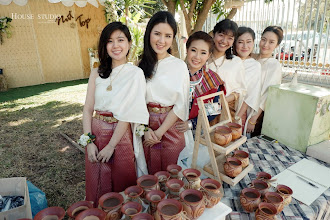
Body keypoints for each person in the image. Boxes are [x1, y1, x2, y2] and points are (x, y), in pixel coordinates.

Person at [82, 22, 149, 206]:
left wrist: (112, 145)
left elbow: (129, 113)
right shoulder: (96, 72)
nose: (115, 45)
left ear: (128, 44)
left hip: (120, 137)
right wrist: (88, 142)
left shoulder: (135, 74)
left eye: (120, 40)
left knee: (122, 182)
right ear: (104, 45)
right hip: (96, 133)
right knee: (98, 182)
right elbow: (88, 109)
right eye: (110, 41)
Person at [139, 11, 190, 175]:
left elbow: (181, 103)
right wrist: (145, 130)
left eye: (168, 36)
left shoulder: (179, 66)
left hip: (171, 127)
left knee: (173, 176)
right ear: (149, 34)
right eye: (157, 34)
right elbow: (135, 102)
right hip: (145, 127)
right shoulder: (139, 65)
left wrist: (160, 132)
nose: (162, 41)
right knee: (150, 177)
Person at [175, 31, 225, 170]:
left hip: (195, 133)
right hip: (172, 130)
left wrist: (192, 123)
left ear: (209, 55)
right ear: (187, 49)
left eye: (203, 53)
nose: (197, 57)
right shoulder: (175, 73)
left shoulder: (212, 79)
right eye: (193, 50)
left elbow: (215, 109)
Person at [207, 19, 246, 123]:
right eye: (221, 35)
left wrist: (220, 101)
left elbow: (240, 91)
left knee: (221, 138)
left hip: (226, 112)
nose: (224, 41)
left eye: (230, 38)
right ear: (214, 34)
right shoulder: (202, 59)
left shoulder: (235, 62)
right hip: (201, 109)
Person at [250, 26, 283, 136]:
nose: (265, 45)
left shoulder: (274, 65)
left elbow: (266, 94)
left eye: (271, 42)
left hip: (255, 114)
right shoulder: (251, 58)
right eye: (263, 39)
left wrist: (253, 119)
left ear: (277, 45)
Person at [234, 27, 262, 136]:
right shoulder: (229, 61)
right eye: (240, 42)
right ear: (234, 44)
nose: (245, 46)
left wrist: (237, 117)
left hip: (239, 111)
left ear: (254, 43)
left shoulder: (255, 66)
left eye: (248, 42)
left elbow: (250, 95)